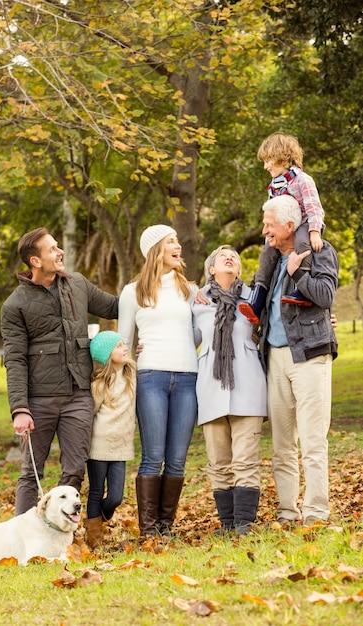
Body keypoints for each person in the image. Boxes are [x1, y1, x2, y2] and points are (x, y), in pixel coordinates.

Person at [1, 227, 118, 515]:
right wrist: (20, 409)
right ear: (35, 261)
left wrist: (150, 286)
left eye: (57, 246)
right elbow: (15, 359)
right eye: (52, 249)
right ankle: (23, 536)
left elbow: (115, 306)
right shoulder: (14, 305)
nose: (60, 251)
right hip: (39, 400)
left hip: (78, 394)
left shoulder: (77, 284)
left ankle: (62, 531)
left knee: (75, 470)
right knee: (32, 473)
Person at [257, 195, 338, 525]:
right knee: (282, 444)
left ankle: (316, 513)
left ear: (290, 225)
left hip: (309, 356)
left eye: (269, 224)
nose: (265, 230)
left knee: (313, 440)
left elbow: (326, 296)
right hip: (276, 357)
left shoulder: (320, 251)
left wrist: (299, 273)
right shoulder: (273, 259)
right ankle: (288, 512)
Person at [118, 224, 199, 537]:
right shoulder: (132, 292)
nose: (178, 245)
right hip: (151, 377)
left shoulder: (190, 291)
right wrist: (129, 358)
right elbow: (123, 342)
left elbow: (199, 331)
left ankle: (166, 527)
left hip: (188, 378)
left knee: (177, 459)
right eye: (171, 241)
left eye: (178, 239)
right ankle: (149, 530)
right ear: (156, 250)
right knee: (153, 456)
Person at [192, 246, 267, 535]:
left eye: (234, 256)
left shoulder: (253, 298)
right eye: (222, 255)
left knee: (245, 459)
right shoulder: (198, 301)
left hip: (247, 384)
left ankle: (244, 525)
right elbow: (187, 341)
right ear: (210, 269)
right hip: (210, 388)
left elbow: (274, 326)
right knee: (219, 463)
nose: (229, 257)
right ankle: (227, 525)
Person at [239, 132, 325, 324]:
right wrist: (269, 238)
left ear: (283, 156)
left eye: (268, 160)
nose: (265, 166)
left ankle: (302, 291)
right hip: (284, 228)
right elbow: (272, 213)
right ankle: (258, 299)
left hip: (304, 224)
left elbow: (314, 208)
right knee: (266, 254)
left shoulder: (303, 180)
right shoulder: (274, 186)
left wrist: (314, 232)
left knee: (302, 244)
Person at [85, 331, 137, 549]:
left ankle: (101, 517)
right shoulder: (99, 383)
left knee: (116, 496)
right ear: (107, 355)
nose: (124, 348)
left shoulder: (132, 375)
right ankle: (94, 539)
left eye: (124, 344)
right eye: (118, 346)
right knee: (96, 491)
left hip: (121, 445)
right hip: (99, 445)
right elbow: (92, 412)